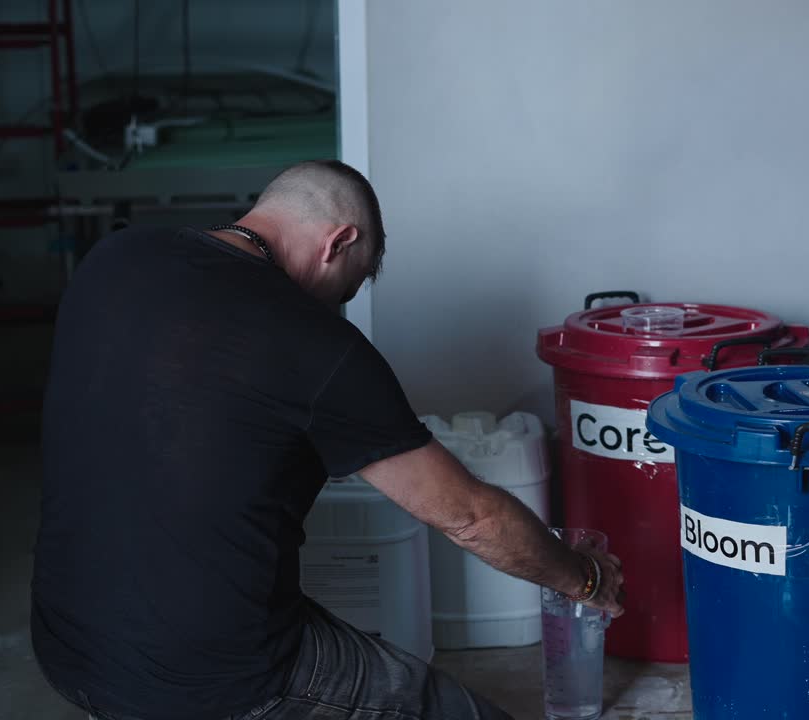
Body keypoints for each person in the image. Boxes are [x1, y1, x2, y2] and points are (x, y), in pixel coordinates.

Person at [31, 159, 625, 720]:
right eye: (349, 287)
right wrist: (584, 578)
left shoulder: (115, 259)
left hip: (70, 647)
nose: (339, 306)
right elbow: (470, 517)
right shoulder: (317, 343)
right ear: (338, 242)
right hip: (215, 674)